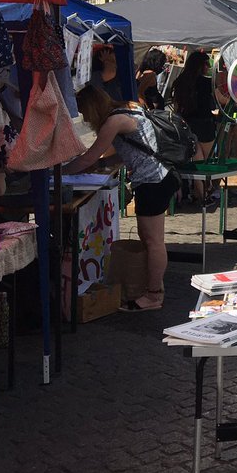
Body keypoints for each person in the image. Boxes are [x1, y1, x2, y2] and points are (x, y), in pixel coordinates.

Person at [68, 85, 179, 312]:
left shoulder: (113, 121)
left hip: (153, 180)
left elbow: (89, 156)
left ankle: (154, 295)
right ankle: (154, 286)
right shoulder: (130, 108)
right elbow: (133, 149)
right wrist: (101, 164)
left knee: (153, 240)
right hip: (160, 177)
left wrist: (59, 173)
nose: (86, 119)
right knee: (149, 238)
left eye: (85, 112)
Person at [172, 49, 217, 202]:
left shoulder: (180, 81)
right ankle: (204, 192)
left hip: (187, 124)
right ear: (202, 65)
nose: (208, 67)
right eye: (207, 64)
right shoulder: (206, 82)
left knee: (197, 160)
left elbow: (177, 107)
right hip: (205, 123)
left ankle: (200, 192)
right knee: (206, 162)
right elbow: (220, 101)